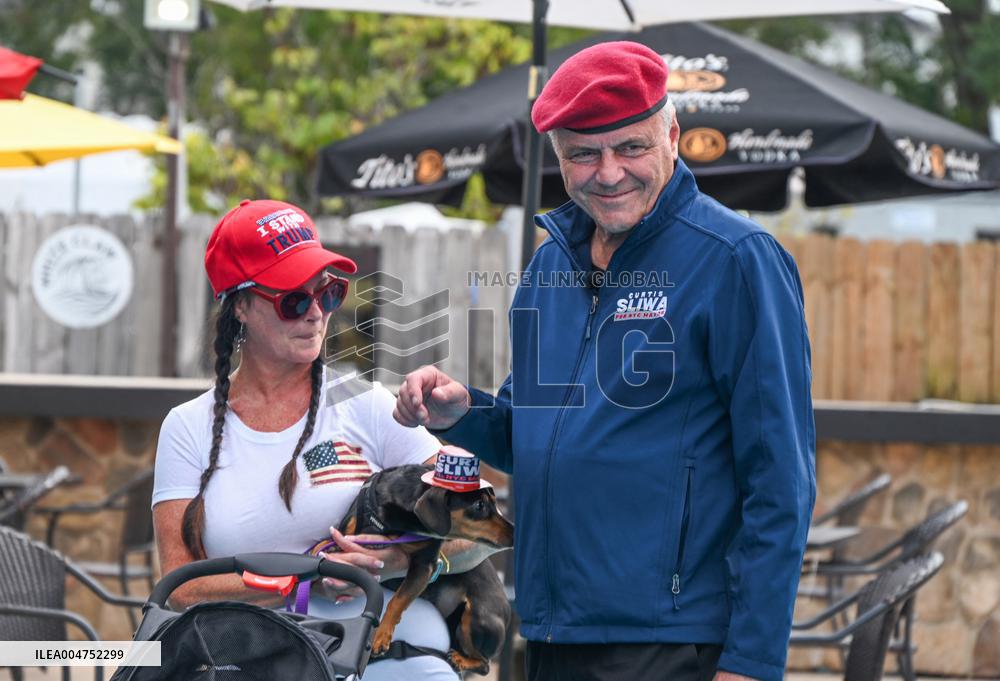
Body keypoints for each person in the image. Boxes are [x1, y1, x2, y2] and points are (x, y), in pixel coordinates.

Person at [394, 42, 815, 681]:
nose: (609, 172)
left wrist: (753, 660)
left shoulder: (737, 259)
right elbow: (534, 434)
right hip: (550, 628)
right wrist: (464, 413)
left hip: (675, 640)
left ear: (672, 135)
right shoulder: (548, 267)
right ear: (559, 158)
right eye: (584, 154)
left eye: (631, 147)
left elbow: (780, 477)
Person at [152, 199, 492, 681]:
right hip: (260, 661)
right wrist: (307, 576)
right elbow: (179, 587)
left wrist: (398, 560)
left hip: (395, 657)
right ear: (242, 306)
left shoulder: (366, 401)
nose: (315, 313)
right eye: (294, 299)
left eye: (328, 293)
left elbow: (477, 537)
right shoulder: (188, 426)